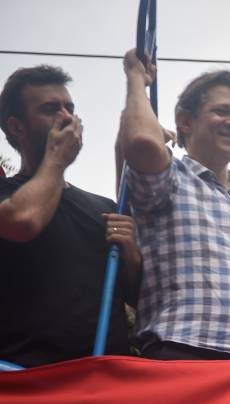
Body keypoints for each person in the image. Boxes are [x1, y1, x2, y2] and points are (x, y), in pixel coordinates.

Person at [118, 51, 230, 361]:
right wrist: (137, 77)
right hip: (183, 349)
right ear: (185, 121)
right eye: (222, 111)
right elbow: (140, 141)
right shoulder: (170, 178)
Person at [0, 65, 139, 367]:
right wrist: (57, 160)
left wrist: (130, 254)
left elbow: (136, 296)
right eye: (50, 109)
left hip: (104, 377)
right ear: (17, 127)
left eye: (70, 108)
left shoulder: (103, 206)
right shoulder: (6, 194)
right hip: (23, 376)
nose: (67, 117)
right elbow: (23, 221)